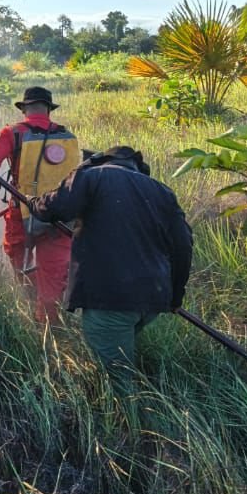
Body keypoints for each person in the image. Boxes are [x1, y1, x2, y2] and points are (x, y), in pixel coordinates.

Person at [28, 146, 193, 393]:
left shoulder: (92, 176)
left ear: (101, 160)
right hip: (151, 302)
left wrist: (33, 202)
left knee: (117, 383)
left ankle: (132, 427)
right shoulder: (162, 191)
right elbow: (183, 246)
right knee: (120, 361)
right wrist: (174, 296)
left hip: (111, 300)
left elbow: (56, 208)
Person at [0, 86, 79, 323]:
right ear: (49, 110)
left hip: (21, 215)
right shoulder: (67, 137)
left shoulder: (12, 133)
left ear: (25, 109)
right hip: (60, 219)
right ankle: (50, 327)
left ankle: (28, 304)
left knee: (20, 262)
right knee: (52, 278)